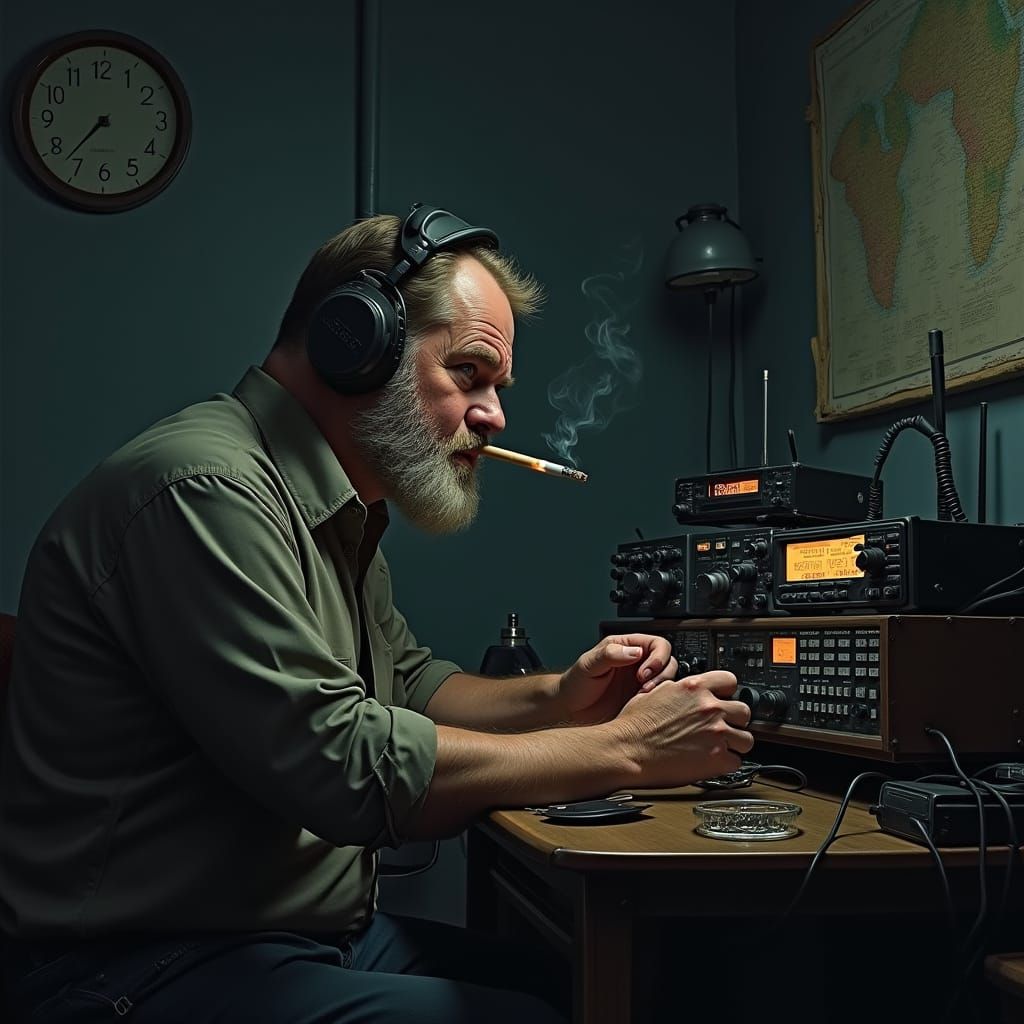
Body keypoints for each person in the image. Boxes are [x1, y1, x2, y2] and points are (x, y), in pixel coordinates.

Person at [0, 203, 753, 1023]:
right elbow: (343, 767)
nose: (494, 414)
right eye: (468, 373)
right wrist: (626, 750)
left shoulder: (333, 499)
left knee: (594, 986)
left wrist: (559, 698)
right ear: (355, 341)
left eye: (496, 387)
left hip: (287, 937)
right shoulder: (208, 491)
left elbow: (411, 685)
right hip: (135, 965)